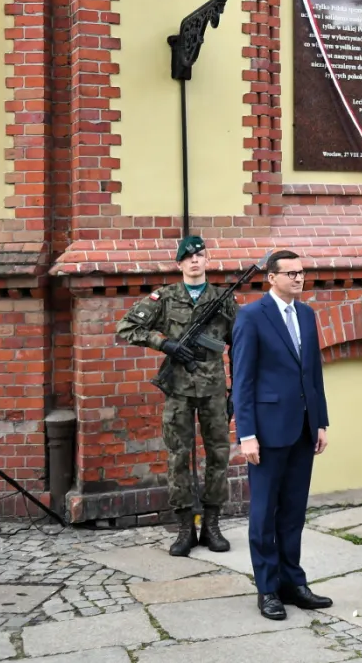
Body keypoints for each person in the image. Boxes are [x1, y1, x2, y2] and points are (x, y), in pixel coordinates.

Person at [115, 236, 237, 557]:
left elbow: (239, 344)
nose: (195, 261)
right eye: (188, 257)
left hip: (213, 390)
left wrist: (236, 389)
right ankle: (185, 528)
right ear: (179, 263)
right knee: (178, 456)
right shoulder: (165, 298)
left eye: (200, 255)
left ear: (207, 260)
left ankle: (211, 525)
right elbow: (126, 327)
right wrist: (164, 343)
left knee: (218, 454)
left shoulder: (223, 299)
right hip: (178, 390)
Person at [232, 250, 333, 620]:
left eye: (301, 272)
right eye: (290, 273)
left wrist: (320, 422)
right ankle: (268, 589)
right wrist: (246, 434)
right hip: (267, 432)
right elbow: (242, 380)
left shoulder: (306, 314)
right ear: (271, 278)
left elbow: (314, 373)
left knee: (293, 512)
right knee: (264, 514)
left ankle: (293, 583)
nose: (298, 278)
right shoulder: (251, 316)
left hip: (303, 430)